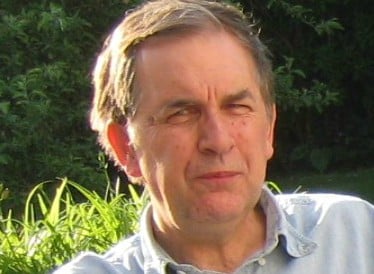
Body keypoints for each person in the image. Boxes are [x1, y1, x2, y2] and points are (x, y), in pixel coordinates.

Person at [54, 0, 374, 273]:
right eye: (182, 113)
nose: (218, 141)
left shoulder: (356, 236)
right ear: (126, 147)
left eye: (236, 107)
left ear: (269, 129)